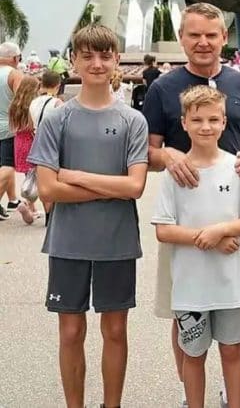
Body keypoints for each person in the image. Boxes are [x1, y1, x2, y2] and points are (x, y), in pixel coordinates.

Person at [142, 2, 240, 408]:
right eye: (194, 34)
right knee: (184, 316)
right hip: (186, 217)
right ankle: (190, 394)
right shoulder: (163, 88)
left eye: (211, 35)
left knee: (234, 318)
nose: (203, 42)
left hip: (232, 210)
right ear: (182, 38)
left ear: (223, 38)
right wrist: (168, 156)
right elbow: (148, 151)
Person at [28, 24, 149, 408]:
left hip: (117, 241)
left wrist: (76, 176)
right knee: (70, 331)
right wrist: (111, 187)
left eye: (104, 55)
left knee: (115, 330)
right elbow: (48, 190)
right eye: (87, 56)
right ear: (74, 61)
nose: (97, 63)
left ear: (116, 60)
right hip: (68, 241)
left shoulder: (133, 120)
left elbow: (135, 186)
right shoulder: (57, 119)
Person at [152, 85, 240, 408]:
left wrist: (221, 230)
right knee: (193, 355)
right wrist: (209, 239)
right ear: (184, 123)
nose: (206, 127)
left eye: (213, 119)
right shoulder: (176, 174)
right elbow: (164, 230)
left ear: (224, 122)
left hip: (231, 285)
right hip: (191, 287)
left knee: (233, 351)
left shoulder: (237, 167)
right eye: (197, 120)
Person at [29, 70, 64, 225]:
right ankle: (54, 215)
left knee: (43, 179)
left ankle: (48, 213)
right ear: (58, 85)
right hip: (54, 142)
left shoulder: (33, 102)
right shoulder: (58, 103)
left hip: (38, 142)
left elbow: (30, 125)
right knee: (57, 179)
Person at [9, 75, 42, 224]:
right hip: (31, 140)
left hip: (19, 141)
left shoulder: (14, 105)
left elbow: (13, 126)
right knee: (37, 176)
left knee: (28, 175)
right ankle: (28, 204)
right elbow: (32, 126)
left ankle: (31, 208)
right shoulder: (32, 105)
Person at [0, 42, 25, 220]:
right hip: (8, 128)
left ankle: (12, 199)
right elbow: (21, 102)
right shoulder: (14, 75)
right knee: (8, 166)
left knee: (3, 166)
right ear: (15, 58)